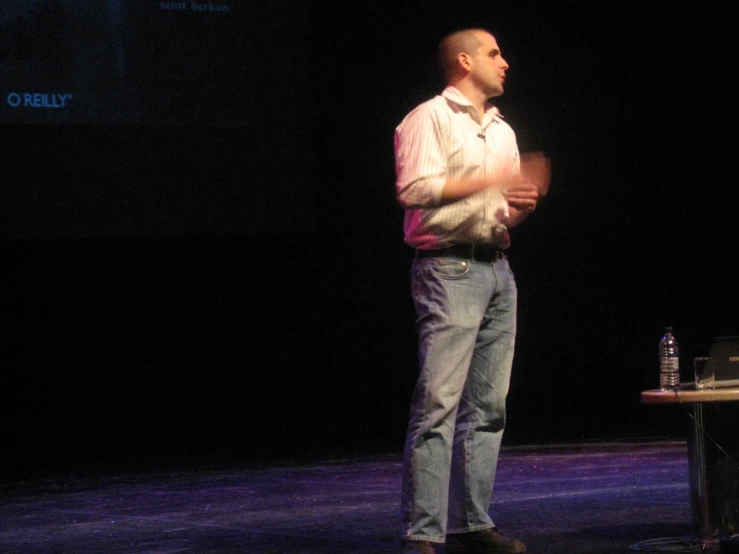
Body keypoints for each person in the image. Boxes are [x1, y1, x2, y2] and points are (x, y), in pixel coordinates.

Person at [393, 27, 551, 554]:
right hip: (448, 269)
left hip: (496, 269)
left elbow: (498, 212)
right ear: (464, 61)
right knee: (439, 403)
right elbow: (414, 190)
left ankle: (472, 523)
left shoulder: (502, 131)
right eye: (494, 53)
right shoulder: (428, 118)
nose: (504, 62)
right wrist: (486, 183)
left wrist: (520, 207)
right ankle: (422, 532)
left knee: (489, 407)